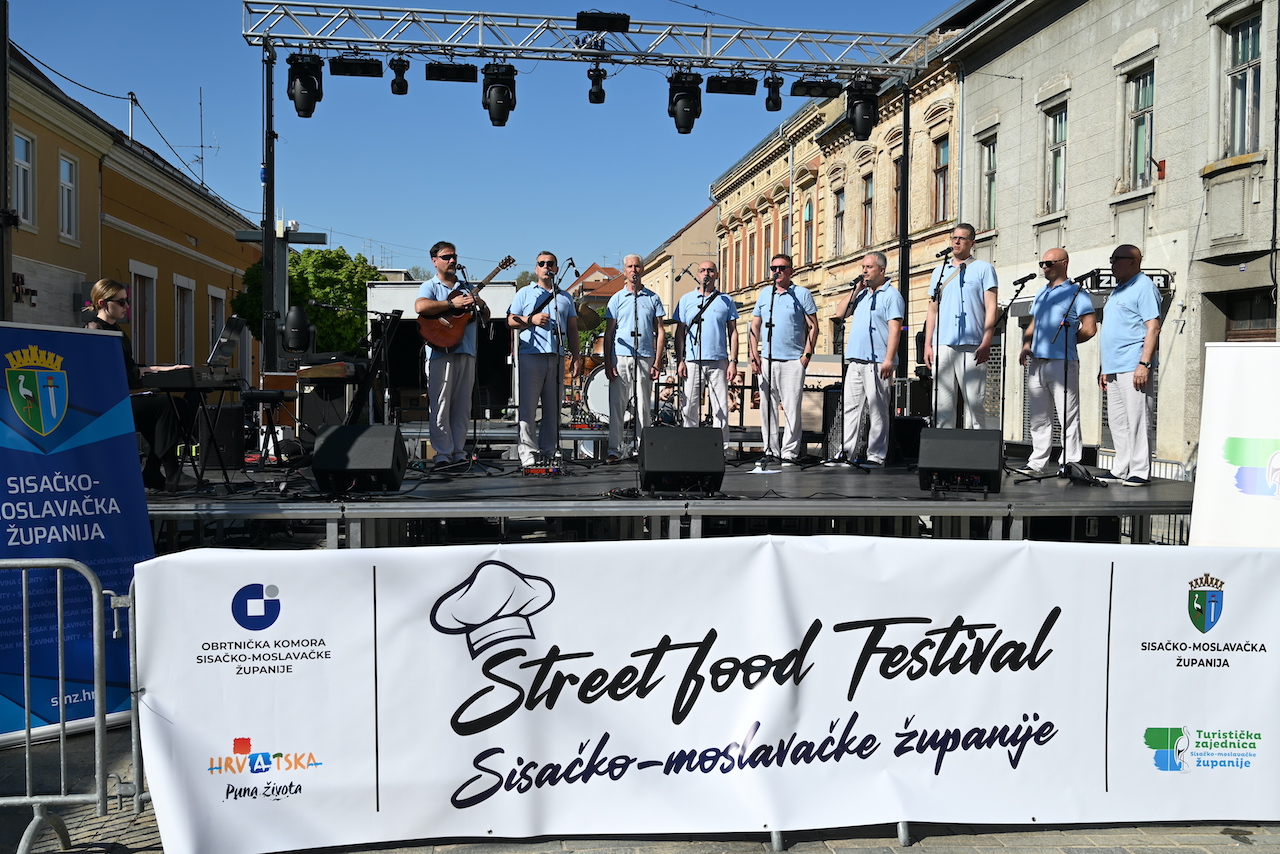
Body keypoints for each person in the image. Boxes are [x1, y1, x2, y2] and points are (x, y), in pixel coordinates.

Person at [83, 278, 198, 492]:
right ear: (102, 303)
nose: (127, 306)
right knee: (166, 406)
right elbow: (109, 375)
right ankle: (168, 472)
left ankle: (155, 471)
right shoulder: (94, 331)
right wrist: (151, 373)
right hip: (104, 405)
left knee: (177, 406)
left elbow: (132, 370)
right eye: (121, 302)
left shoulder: (118, 332)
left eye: (127, 301)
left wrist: (168, 369)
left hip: (120, 399)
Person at [1017, 248, 1097, 476]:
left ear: (1064, 263)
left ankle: (1070, 463)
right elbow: (1033, 324)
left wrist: (1067, 341)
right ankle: (1037, 462)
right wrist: (1026, 344)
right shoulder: (1041, 293)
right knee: (1038, 417)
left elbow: (1090, 328)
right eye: (1042, 263)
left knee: (1068, 416)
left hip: (1062, 362)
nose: (1044, 267)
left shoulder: (1077, 292)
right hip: (1037, 363)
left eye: (1049, 263)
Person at [415, 241, 489, 468]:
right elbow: (420, 307)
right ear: (434, 261)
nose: (452, 260)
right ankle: (442, 454)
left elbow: (485, 317)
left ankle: (459, 452)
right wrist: (450, 303)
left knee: (463, 406)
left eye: (454, 256)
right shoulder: (430, 285)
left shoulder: (468, 286)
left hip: (466, 351)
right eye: (446, 257)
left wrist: (481, 303)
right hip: (440, 352)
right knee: (441, 404)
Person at [507, 251, 580, 467]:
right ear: (536, 269)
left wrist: (576, 357)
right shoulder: (525, 293)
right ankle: (528, 453)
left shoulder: (565, 297)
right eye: (542, 263)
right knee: (528, 408)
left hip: (556, 356)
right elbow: (510, 320)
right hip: (531, 355)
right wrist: (531, 319)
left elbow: (573, 329)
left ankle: (549, 450)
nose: (546, 266)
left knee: (553, 408)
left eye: (550, 263)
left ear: (556, 268)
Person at [830, 251, 903, 467]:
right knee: (850, 408)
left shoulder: (892, 296)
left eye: (869, 267)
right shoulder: (861, 295)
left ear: (882, 270)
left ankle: (876, 456)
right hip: (855, 360)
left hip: (878, 361)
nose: (864, 270)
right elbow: (840, 313)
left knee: (877, 410)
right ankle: (846, 453)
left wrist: (889, 359)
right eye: (863, 267)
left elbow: (895, 330)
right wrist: (855, 290)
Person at [1098, 244, 1162, 486]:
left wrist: (1144, 363)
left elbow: (1153, 327)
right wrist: (1104, 368)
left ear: (1134, 261)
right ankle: (1121, 467)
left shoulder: (1144, 287)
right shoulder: (1118, 290)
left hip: (1133, 363)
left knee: (1137, 418)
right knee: (1117, 421)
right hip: (1114, 366)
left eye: (1117, 259)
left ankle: (1140, 470)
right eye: (1111, 259)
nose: (1112, 264)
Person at [925, 223, 999, 429]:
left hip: (973, 344)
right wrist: (928, 344)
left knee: (975, 402)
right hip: (942, 344)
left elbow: (991, 307)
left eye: (962, 238)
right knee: (941, 405)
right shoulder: (939, 272)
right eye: (954, 238)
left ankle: (977, 444)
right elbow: (932, 310)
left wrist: (987, 341)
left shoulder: (984, 269)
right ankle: (943, 444)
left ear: (972, 243)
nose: (956, 242)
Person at [748, 253, 818, 464]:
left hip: (792, 360)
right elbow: (755, 325)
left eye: (781, 268)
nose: (777, 272)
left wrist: (806, 355)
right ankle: (771, 449)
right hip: (767, 359)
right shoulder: (765, 294)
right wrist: (754, 354)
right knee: (767, 407)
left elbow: (813, 326)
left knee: (791, 408)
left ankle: (789, 452)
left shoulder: (801, 294)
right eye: (773, 268)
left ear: (791, 271)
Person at [603, 254, 666, 462]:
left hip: (645, 355)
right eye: (630, 266)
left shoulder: (653, 298)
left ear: (642, 269)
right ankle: (614, 449)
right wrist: (608, 361)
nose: (634, 270)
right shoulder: (617, 299)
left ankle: (642, 448)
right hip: (621, 356)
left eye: (637, 266)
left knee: (643, 406)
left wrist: (658, 361)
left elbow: (660, 331)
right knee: (617, 404)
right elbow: (609, 332)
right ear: (624, 271)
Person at [674, 261, 739, 450]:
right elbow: (680, 332)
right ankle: (690, 447)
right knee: (690, 405)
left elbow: (733, 332)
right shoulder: (686, 299)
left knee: (721, 406)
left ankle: (721, 448)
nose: (706, 274)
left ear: (716, 275)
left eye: (710, 270)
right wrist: (680, 360)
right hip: (693, 360)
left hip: (719, 360)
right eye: (702, 270)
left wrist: (733, 361)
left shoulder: (726, 300)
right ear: (697, 274)